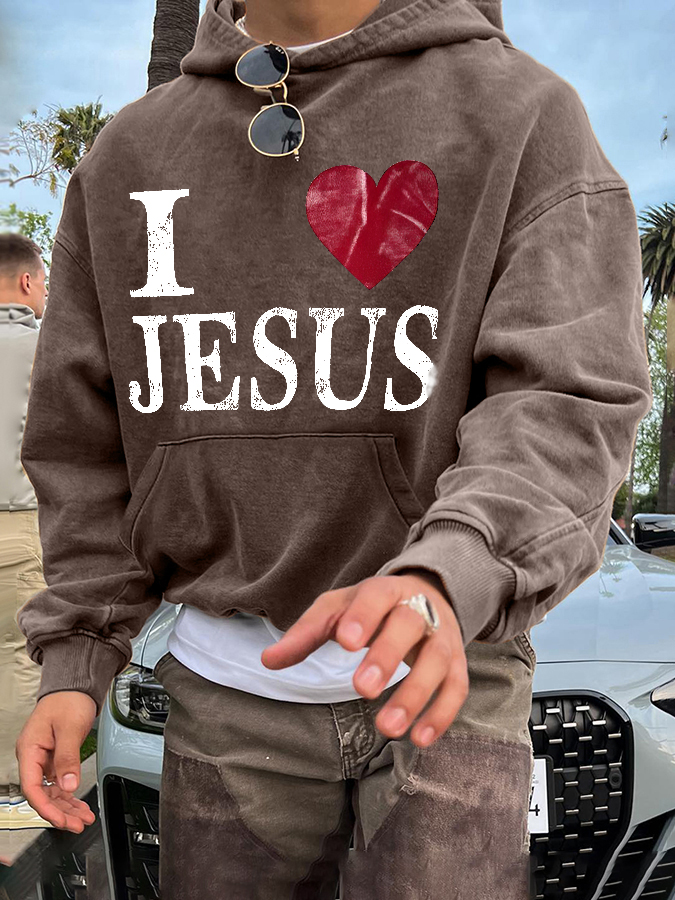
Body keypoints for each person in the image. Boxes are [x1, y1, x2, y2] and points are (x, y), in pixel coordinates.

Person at [15, 0, 653, 897]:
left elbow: (565, 397)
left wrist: (451, 570)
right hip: (222, 705)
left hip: (454, 679)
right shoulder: (128, 156)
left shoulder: (522, 115)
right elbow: (83, 441)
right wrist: (79, 653)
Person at [0, 233, 54, 830]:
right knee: (19, 653)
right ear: (25, 282)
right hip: (17, 522)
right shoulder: (45, 349)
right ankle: (13, 794)